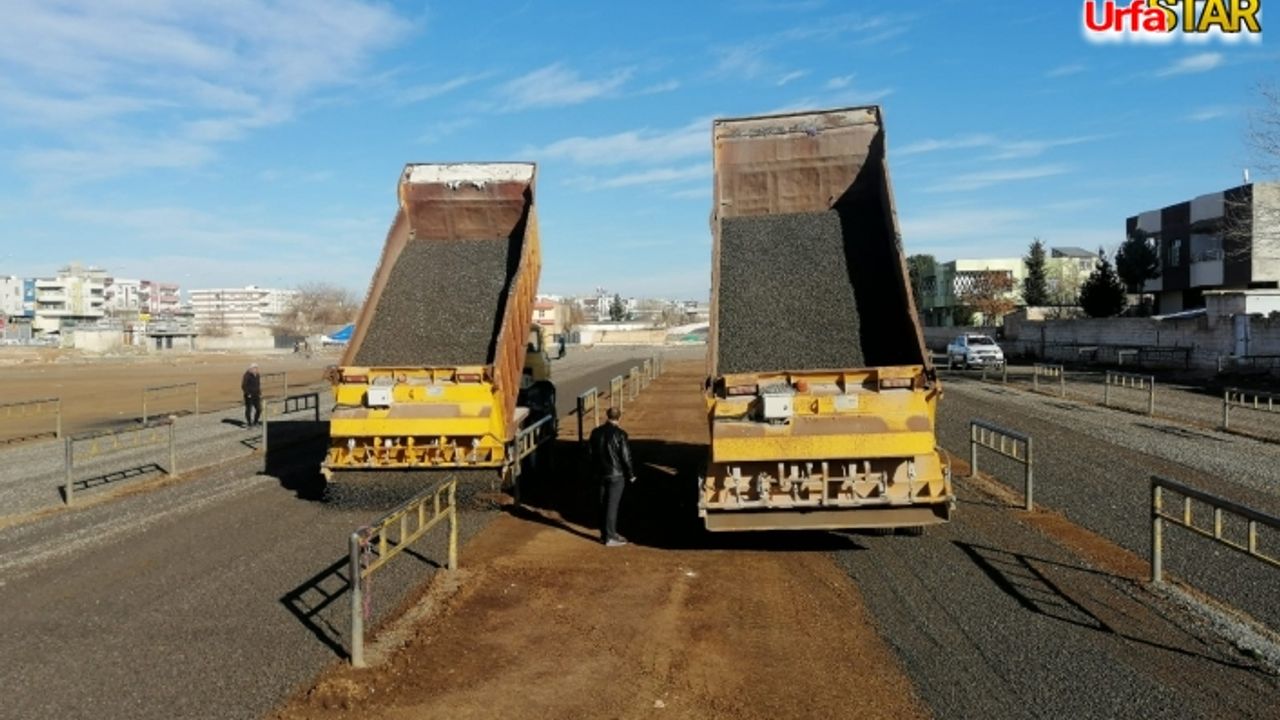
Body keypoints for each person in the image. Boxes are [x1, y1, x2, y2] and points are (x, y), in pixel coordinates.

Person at [588, 406, 635, 546]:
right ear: (619, 418)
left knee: (602, 504)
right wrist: (631, 474)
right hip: (616, 475)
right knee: (612, 506)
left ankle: (605, 534)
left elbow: (590, 453)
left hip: (600, 474)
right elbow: (626, 457)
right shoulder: (621, 434)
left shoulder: (595, 433)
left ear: (607, 416)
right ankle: (610, 537)